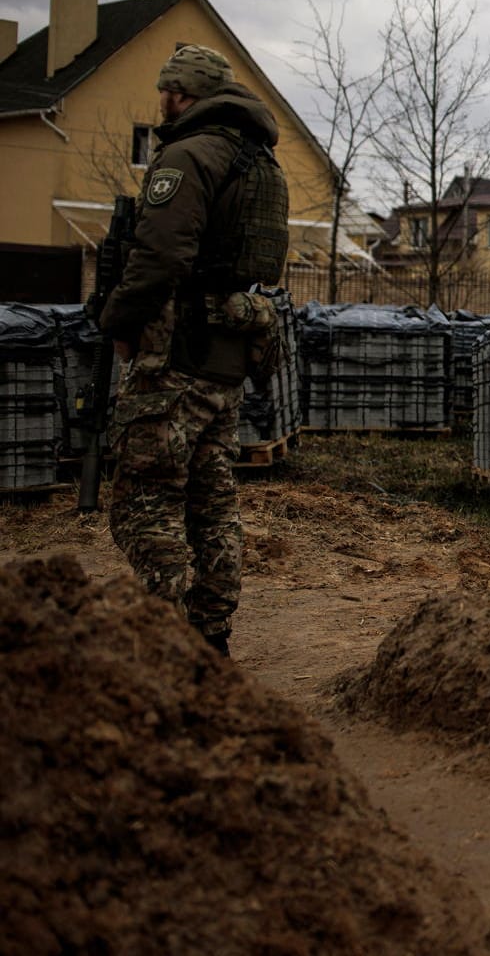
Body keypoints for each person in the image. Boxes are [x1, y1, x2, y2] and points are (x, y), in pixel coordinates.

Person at [95, 44, 287, 657]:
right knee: (211, 501)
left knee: (144, 502)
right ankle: (211, 635)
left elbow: (160, 257)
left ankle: (172, 636)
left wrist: (117, 319)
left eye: (166, 91)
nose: (161, 101)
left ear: (181, 95)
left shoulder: (186, 156)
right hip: (226, 355)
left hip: (175, 355)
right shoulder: (258, 161)